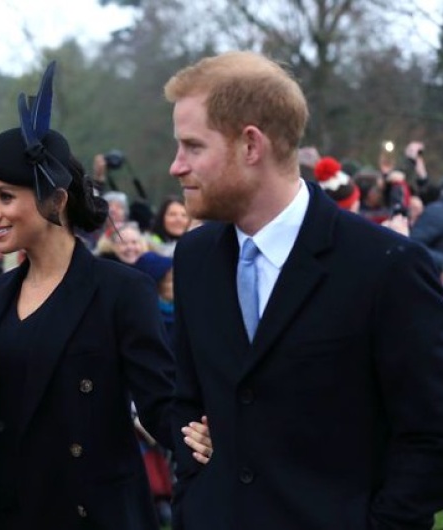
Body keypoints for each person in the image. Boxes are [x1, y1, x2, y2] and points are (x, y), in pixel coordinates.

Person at [165, 51, 443, 529]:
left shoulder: (384, 267)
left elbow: (430, 434)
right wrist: (198, 492)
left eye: (192, 146)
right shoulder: (195, 258)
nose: (176, 167)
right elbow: (187, 400)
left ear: (251, 145)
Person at [0, 61, 175, 530]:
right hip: (5, 513)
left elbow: (161, 404)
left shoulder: (121, 291)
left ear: (56, 199)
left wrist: (211, 433)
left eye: (5, 197)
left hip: (91, 514)